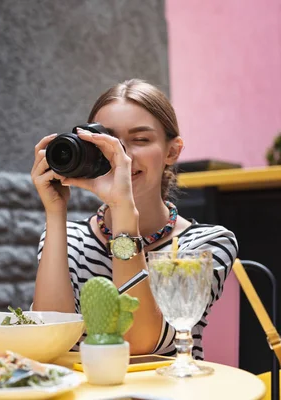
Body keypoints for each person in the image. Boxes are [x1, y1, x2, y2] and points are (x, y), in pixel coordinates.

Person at [31, 79, 238, 359]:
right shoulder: (71, 239)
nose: (122, 155)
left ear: (172, 151)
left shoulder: (204, 245)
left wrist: (124, 212)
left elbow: (138, 344)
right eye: (107, 140)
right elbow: (48, 337)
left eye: (140, 140)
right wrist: (55, 213)